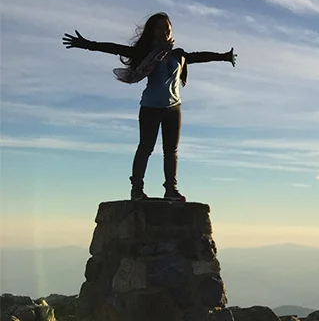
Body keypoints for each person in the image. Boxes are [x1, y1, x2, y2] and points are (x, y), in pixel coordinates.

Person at [62, 12, 237, 201]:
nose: (165, 30)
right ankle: (136, 189)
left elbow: (201, 56)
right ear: (152, 32)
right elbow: (114, 48)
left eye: (167, 26)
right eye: (159, 27)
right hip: (150, 107)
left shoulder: (179, 54)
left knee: (171, 151)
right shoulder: (146, 53)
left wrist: (224, 56)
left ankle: (171, 189)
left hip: (173, 108)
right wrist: (87, 44)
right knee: (146, 147)